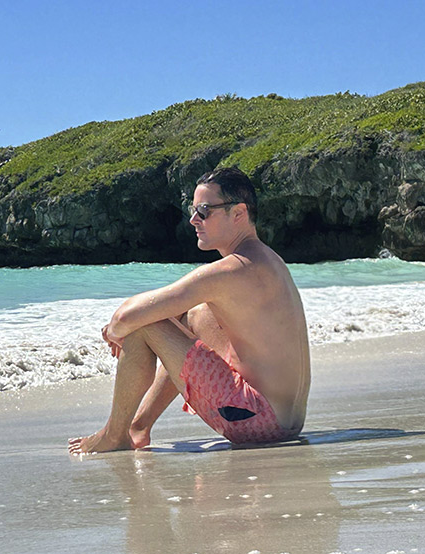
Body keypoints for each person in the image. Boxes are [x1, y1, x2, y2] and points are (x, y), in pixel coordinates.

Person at [68, 167, 310, 454]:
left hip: (256, 421)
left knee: (144, 324)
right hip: (287, 421)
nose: (194, 220)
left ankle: (114, 434)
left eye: (204, 210)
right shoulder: (268, 260)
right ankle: (138, 427)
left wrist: (115, 332)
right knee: (196, 314)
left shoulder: (233, 270)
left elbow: (126, 317)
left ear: (238, 213)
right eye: (192, 210)